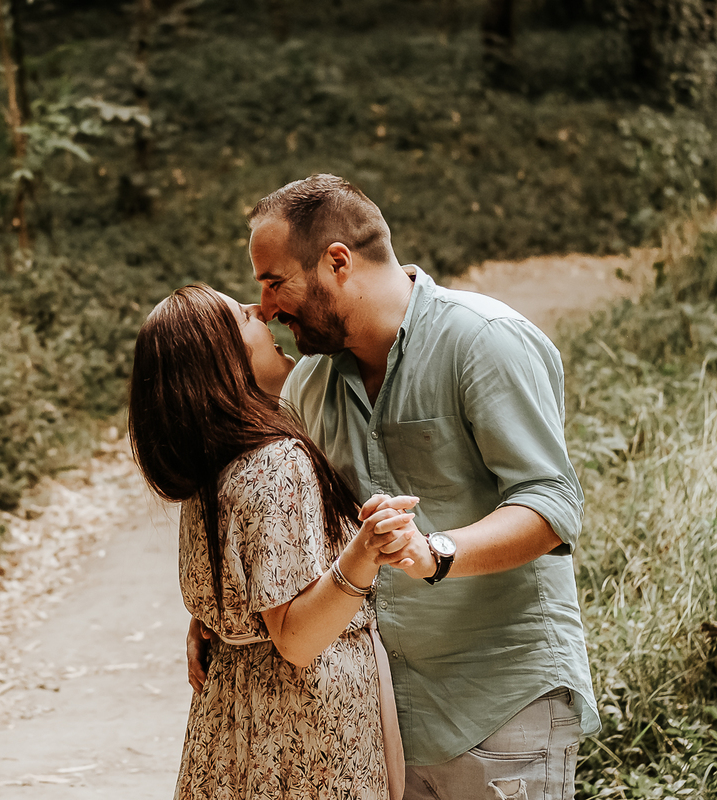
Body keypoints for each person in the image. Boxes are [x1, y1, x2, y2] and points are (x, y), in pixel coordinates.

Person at [192, 174, 601, 800]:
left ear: (337, 262)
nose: (267, 307)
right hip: (381, 720)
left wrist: (433, 552)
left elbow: (550, 503)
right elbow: (298, 534)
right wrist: (225, 615)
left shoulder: (482, 340)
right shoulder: (309, 385)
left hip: (500, 706)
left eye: (275, 282)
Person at [129, 283, 418, 799]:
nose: (262, 310)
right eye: (245, 317)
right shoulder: (277, 462)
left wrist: (212, 622)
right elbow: (296, 639)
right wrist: (367, 549)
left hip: (233, 720)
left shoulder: (212, 466)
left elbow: (250, 590)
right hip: (305, 730)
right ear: (225, 361)